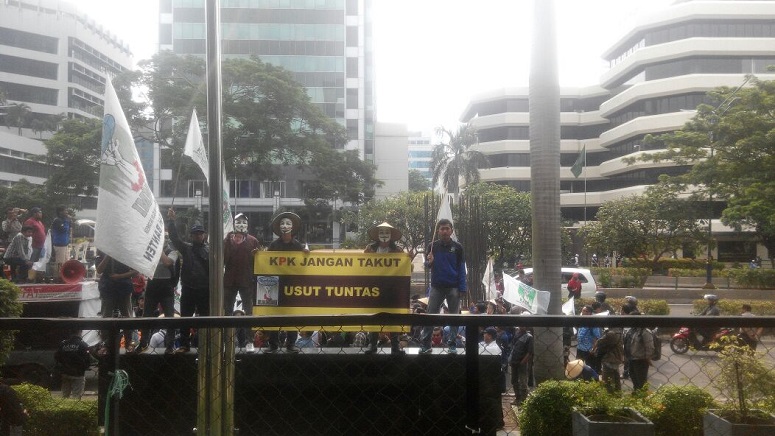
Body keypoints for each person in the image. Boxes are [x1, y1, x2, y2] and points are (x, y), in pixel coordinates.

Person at [419, 218, 467, 354]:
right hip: (436, 287)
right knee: (430, 315)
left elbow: (461, 268)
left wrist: (462, 287)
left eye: (447, 228)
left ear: (451, 230)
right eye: (442, 228)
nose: (445, 231)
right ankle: (426, 344)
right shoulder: (432, 246)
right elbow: (427, 266)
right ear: (438, 231)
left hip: (454, 286)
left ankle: (452, 344)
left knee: (454, 316)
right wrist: (430, 262)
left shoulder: (458, 247)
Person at [264, 212, 308, 354]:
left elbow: (304, 264)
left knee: (292, 314)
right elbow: (265, 263)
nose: (285, 226)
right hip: (275, 284)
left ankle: (291, 344)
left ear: (293, 227)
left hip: (292, 284)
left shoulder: (298, 246)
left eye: (288, 223)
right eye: (282, 223)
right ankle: (273, 345)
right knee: (273, 314)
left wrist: (306, 253)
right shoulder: (273, 245)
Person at [167, 208, 209, 354]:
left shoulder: (211, 251)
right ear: (191, 236)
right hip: (189, 288)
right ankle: (185, 344)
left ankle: (206, 344)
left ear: (204, 235)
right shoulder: (186, 249)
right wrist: (171, 221)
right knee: (185, 318)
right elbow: (174, 237)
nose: (198, 236)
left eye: (200, 233)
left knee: (205, 320)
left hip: (205, 290)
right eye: (195, 234)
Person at [363, 222, 405, 355]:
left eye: (387, 232)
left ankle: (395, 346)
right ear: (377, 235)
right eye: (381, 232)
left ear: (391, 235)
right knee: (374, 316)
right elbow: (361, 265)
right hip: (374, 287)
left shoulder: (399, 251)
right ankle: (372, 344)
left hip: (393, 288)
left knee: (393, 316)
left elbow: (406, 269)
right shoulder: (369, 249)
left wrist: (408, 259)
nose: (384, 235)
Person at [223, 213, 261, 349]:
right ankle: (227, 340)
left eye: (244, 222)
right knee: (226, 311)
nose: (241, 225)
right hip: (229, 282)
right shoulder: (227, 239)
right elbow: (223, 260)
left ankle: (249, 341)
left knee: (249, 312)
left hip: (246, 281)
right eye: (238, 222)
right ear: (233, 224)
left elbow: (258, 262)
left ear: (248, 225)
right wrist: (227, 241)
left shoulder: (253, 241)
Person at [134, 247, 180, 355]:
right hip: (152, 286)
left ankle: (170, 345)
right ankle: (143, 343)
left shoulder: (173, 252)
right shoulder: (150, 250)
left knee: (169, 317)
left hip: (166, 287)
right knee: (146, 317)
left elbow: (167, 262)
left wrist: (159, 250)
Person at [96, 253, 137, 352]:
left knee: (127, 315)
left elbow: (136, 271)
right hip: (107, 288)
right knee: (106, 316)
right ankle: (106, 343)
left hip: (124, 288)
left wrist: (120, 276)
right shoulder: (101, 253)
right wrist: (108, 256)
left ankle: (129, 343)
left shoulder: (126, 252)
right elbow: (99, 270)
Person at [55, 329, 91, 400]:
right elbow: (88, 360)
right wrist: (84, 367)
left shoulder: (63, 344)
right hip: (78, 373)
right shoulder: (83, 345)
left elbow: (57, 356)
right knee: (76, 396)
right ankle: (75, 408)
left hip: (65, 372)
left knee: (65, 395)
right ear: (80, 332)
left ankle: (64, 408)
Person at [624, 310, 654, 393]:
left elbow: (650, 347)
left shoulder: (645, 332)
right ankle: (636, 396)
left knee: (641, 382)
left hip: (640, 360)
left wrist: (647, 358)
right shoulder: (631, 330)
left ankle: (642, 398)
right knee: (634, 380)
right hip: (631, 359)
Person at [509, 323, 533, 406]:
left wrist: (523, 362)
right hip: (514, 361)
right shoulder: (517, 334)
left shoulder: (529, 337)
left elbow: (530, 352)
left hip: (522, 362)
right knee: (514, 380)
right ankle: (517, 398)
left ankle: (523, 401)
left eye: (523, 325)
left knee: (523, 382)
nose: (521, 327)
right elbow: (513, 347)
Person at [594, 327, 624, 393]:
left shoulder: (611, 333)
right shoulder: (619, 332)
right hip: (616, 358)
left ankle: (610, 397)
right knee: (616, 381)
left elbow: (599, 342)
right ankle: (618, 397)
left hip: (609, 359)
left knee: (608, 382)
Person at [576, 305, 603, 374]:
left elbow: (597, 337)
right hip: (580, 348)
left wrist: (593, 349)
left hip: (588, 350)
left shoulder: (593, 323)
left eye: (586, 311)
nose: (583, 312)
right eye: (583, 310)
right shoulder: (581, 321)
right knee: (577, 367)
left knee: (590, 368)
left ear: (590, 313)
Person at [50, 206, 73, 280]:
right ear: (60, 212)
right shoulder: (58, 220)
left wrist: (68, 220)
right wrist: (67, 220)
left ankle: (63, 276)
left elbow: (69, 228)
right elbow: (64, 229)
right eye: (65, 210)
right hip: (59, 244)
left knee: (65, 261)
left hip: (65, 244)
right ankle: (57, 277)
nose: (67, 212)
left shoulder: (64, 220)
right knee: (60, 262)